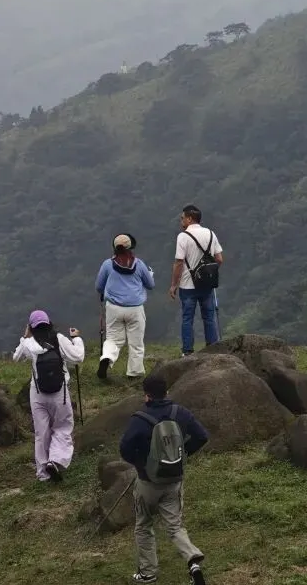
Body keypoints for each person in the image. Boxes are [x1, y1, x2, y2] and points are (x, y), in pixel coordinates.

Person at [118, 372, 209, 585]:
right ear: (167, 392)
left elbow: (125, 449)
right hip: (174, 481)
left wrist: (141, 464)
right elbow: (202, 436)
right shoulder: (181, 413)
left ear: (146, 395)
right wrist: (183, 454)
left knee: (143, 526)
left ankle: (148, 572)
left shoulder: (139, 418)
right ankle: (192, 559)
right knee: (175, 526)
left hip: (148, 483)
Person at [13, 309, 85, 482]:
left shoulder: (29, 343)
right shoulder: (59, 339)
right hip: (59, 392)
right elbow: (78, 357)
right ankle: (56, 460)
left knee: (41, 432)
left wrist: (25, 336)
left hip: (38, 393)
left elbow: (16, 357)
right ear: (49, 323)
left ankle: (42, 472)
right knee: (62, 426)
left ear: (31, 327)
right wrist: (76, 338)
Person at [95, 233, 155, 382]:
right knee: (136, 343)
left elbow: (99, 286)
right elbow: (150, 285)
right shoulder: (139, 264)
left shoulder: (108, 264)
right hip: (135, 309)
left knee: (113, 339)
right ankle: (134, 373)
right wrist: (150, 275)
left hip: (114, 308)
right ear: (131, 246)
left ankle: (107, 357)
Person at [169, 205, 223, 356]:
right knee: (209, 317)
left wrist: (174, 285)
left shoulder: (183, 236)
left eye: (182, 218)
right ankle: (212, 348)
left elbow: (179, 262)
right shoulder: (211, 234)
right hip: (207, 285)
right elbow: (219, 259)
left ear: (189, 218)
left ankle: (188, 351)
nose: (181, 221)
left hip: (188, 285)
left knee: (187, 318)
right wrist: (208, 272)